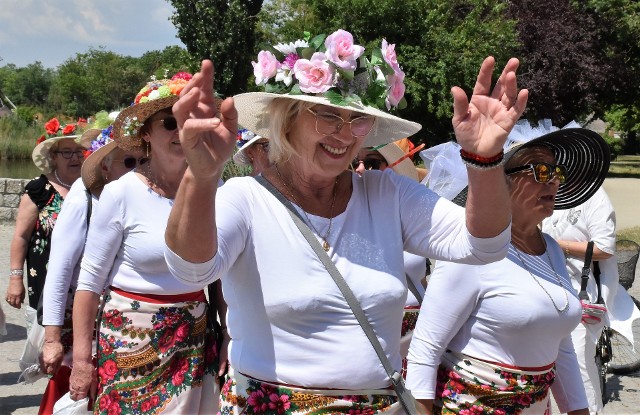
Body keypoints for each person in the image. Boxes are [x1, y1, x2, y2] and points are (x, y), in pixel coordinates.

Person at [164, 28, 528, 413]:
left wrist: (485, 162)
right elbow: (191, 270)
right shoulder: (247, 198)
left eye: (358, 119)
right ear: (287, 120)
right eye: (327, 115)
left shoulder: (386, 194)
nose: (344, 133)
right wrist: (201, 177)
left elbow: (484, 245)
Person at [406, 119, 611, 414]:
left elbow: (560, 344)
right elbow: (426, 350)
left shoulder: (552, 249)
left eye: (557, 172)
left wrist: (579, 410)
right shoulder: (471, 252)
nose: (553, 180)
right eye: (540, 171)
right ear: (501, 181)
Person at [69, 73, 220, 414]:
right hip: (130, 342)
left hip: (195, 336)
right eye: (170, 122)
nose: (182, 130)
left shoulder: (214, 189)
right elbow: (89, 283)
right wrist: (81, 361)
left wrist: (227, 334)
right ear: (146, 133)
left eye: (191, 121)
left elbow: (223, 276)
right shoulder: (121, 192)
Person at [38, 112, 147, 415]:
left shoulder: (141, 200)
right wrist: (52, 339)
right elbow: (59, 271)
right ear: (105, 166)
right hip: (81, 332)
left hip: (120, 332)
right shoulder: (83, 198)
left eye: (140, 161)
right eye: (128, 163)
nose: (136, 169)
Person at [542, 147, 640, 414]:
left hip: (582, 297)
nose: (554, 175)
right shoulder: (550, 197)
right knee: (549, 368)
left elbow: (605, 249)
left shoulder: (593, 197)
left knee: (580, 370)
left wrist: (555, 245)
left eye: (557, 168)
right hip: (549, 294)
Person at [353, 140, 429, 377]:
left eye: (373, 164)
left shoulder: (413, 217)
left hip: (417, 332)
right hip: (370, 333)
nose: (361, 170)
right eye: (355, 163)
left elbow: (422, 278)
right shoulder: (343, 219)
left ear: (392, 169)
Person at [5, 118, 88, 313]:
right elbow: (21, 237)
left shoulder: (92, 187)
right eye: (67, 152)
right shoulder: (39, 189)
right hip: (45, 277)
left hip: (85, 279)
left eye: (79, 152)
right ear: (53, 156)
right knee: (47, 336)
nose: (75, 158)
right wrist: (15, 279)